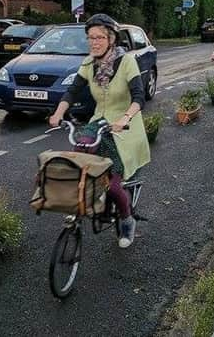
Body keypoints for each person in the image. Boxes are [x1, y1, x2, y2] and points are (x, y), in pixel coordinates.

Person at [48, 13, 150, 248]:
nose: (94, 42)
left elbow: (139, 97)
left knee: (110, 183)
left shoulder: (126, 62)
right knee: (79, 164)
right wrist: (58, 113)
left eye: (99, 38)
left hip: (124, 127)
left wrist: (125, 118)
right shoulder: (88, 63)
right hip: (98, 124)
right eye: (90, 38)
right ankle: (81, 207)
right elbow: (72, 91)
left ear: (111, 39)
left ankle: (127, 220)